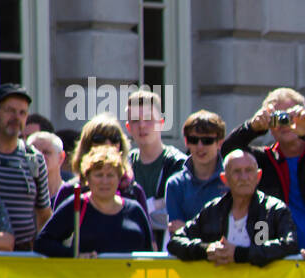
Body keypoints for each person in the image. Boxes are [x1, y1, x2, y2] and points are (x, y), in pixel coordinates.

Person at [221, 86, 305, 253]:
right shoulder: (263, 160)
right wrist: (252, 127)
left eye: (290, 116)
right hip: (277, 258)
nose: (284, 123)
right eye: (277, 117)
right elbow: (228, 152)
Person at [167, 150, 303, 266]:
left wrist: (239, 254)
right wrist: (205, 249)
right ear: (224, 179)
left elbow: (290, 244)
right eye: (237, 172)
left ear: (258, 176)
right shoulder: (213, 209)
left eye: (249, 171)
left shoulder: (274, 209)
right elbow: (175, 241)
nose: (244, 177)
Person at [35, 146, 154, 257]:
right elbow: (42, 243)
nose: (105, 181)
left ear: (119, 178)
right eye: (99, 175)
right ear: (87, 178)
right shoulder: (77, 205)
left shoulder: (135, 210)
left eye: (110, 175)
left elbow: (149, 252)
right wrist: (74, 256)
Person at [0, 85, 50, 251]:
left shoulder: (34, 158)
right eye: (11, 111)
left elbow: (44, 214)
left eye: (22, 113)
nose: (17, 117)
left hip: (23, 256)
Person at [51, 115, 152, 227]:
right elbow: (49, 239)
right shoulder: (71, 191)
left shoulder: (133, 192)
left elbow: (149, 241)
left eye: (114, 139)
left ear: (121, 147)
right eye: (99, 139)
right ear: (86, 146)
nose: (108, 145)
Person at [126, 89, 186, 248]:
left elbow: (173, 214)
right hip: (131, 254)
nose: (142, 125)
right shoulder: (124, 164)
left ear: (162, 122)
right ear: (128, 127)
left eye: (148, 118)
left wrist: (141, 209)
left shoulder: (178, 163)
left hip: (169, 252)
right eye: (135, 120)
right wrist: (155, 205)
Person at [166, 110, 229, 234]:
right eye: (193, 140)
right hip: (188, 253)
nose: (200, 146)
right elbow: (177, 233)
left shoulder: (232, 179)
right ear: (186, 142)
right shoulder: (175, 184)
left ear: (220, 143)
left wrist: (189, 228)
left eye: (207, 140)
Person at [27, 130, 68, 205]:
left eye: (46, 152)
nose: (39, 157)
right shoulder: (20, 195)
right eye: (32, 152)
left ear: (61, 157)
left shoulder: (69, 196)